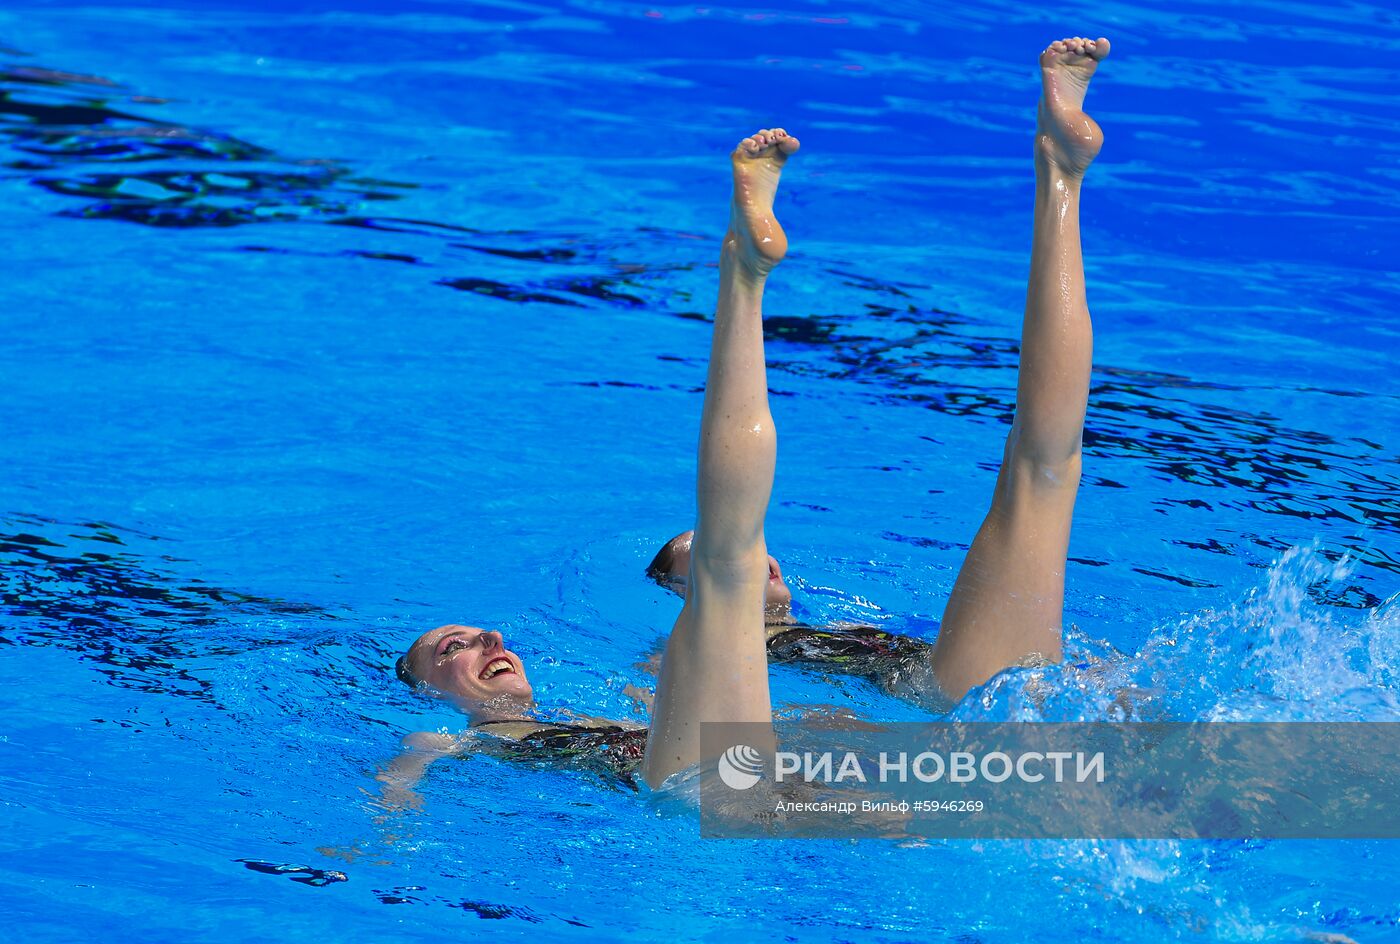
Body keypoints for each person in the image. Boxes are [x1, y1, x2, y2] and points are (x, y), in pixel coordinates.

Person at [385, 36, 1111, 795]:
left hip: (759, 770)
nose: (488, 637)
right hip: (723, 774)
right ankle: (758, 267)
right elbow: (397, 791)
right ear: (428, 691)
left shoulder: (612, 701)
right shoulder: (446, 735)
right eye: (452, 649)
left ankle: (1057, 173)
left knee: (1041, 467)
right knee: (1039, 474)